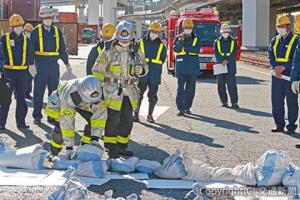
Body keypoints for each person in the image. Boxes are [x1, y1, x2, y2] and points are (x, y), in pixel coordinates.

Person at [92, 20, 148, 158]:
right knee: (112, 121)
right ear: (116, 38)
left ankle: (122, 146)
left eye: (127, 40)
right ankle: (111, 149)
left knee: (127, 121)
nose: (125, 43)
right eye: (122, 40)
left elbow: (145, 67)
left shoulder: (136, 49)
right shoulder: (108, 50)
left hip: (129, 91)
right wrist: (99, 88)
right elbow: (96, 70)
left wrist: (141, 70)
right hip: (112, 92)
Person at [45, 76, 107, 159]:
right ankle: (54, 153)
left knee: (92, 124)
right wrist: (69, 148)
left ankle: (85, 149)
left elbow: (99, 119)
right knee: (59, 128)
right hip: (60, 100)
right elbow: (67, 123)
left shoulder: (97, 94)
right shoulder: (69, 96)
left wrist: (95, 139)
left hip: (84, 103)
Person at [30, 6, 71, 125]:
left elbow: (62, 49)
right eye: (46, 17)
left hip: (53, 65)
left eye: (50, 17)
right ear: (42, 18)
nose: (48, 19)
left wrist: (67, 63)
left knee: (53, 92)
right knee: (38, 91)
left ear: (52, 18)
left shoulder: (56, 32)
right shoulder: (35, 32)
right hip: (40, 65)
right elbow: (30, 49)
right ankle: (37, 116)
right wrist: (30, 64)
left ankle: (51, 115)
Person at [0, 14, 34, 130]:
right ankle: (1, 123)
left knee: (21, 99)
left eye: (20, 25)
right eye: (16, 26)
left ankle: (21, 122)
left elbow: (30, 55)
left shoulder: (26, 40)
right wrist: (2, 67)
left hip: (22, 74)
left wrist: (31, 67)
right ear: (11, 27)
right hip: (8, 73)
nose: (19, 28)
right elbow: (1, 54)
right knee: (5, 99)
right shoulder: (4, 39)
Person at [268, 15, 299, 134]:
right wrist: (276, 66)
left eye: (282, 26)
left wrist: (284, 66)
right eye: (278, 27)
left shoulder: (296, 40)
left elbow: (296, 58)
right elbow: (270, 54)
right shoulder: (274, 40)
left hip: (290, 76)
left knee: (291, 102)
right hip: (276, 76)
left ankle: (291, 126)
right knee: (276, 101)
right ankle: (279, 124)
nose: (280, 29)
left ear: (288, 27)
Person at [133, 22, 167, 123]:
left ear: (159, 33)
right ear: (149, 30)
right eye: (153, 31)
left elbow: (163, 59)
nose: (154, 33)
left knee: (152, 96)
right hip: (143, 73)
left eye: (156, 32)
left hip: (154, 74)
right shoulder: (140, 43)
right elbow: (135, 56)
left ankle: (150, 115)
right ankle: (135, 114)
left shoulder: (161, 46)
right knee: (139, 94)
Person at [173, 18, 201, 116]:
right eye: (186, 27)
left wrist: (186, 48)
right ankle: (180, 108)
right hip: (181, 67)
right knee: (180, 88)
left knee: (190, 89)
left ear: (192, 28)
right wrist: (181, 41)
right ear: (183, 27)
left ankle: (187, 107)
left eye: (189, 27)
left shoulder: (196, 38)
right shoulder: (178, 37)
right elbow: (176, 49)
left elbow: (197, 49)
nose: (188, 29)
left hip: (193, 67)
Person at [214, 24, 239, 109]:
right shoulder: (216, 41)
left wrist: (227, 60)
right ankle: (224, 102)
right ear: (221, 32)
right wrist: (222, 60)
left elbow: (234, 53)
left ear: (229, 32)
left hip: (230, 65)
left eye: (227, 32)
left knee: (231, 85)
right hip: (220, 65)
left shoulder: (233, 41)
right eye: (224, 32)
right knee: (220, 85)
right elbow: (216, 53)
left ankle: (234, 102)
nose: (225, 33)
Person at [23, 23, 34, 100]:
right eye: (27, 31)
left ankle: (27, 93)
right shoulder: (20, 39)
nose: (28, 33)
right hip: (22, 62)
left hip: (30, 62)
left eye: (29, 31)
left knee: (29, 78)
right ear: (24, 31)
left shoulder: (33, 41)